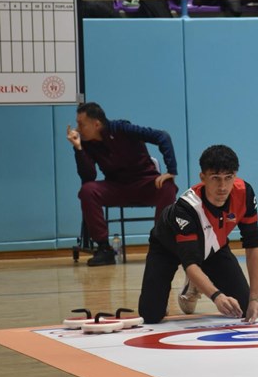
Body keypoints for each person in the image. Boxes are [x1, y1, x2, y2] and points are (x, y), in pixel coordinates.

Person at [138, 145, 258, 324]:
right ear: (203, 178)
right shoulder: (186, 208)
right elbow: (190, 264)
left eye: (228, 178)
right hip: (167, 248)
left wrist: (255, 298)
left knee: (243, 307)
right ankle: (193, 283)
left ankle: (195, 283)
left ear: (235, 176)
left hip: (212, 248)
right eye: (215, 178)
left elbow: (253, 244)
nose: (223, 186)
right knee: (151, 315)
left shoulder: (245, 194)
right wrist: (216, 296)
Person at [66, 102, 178, 266]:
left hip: (145, 183)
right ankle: (104, 249)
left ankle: (162, 245)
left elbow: (163, 137)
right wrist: (79, 149)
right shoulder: (87, 143)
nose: (77, 128)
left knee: (168, 186)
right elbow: (89, 176)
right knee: (88, 190)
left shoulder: (122, 129)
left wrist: (171, 170)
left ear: (96, 124)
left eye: (81, 124)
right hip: (117, 187)